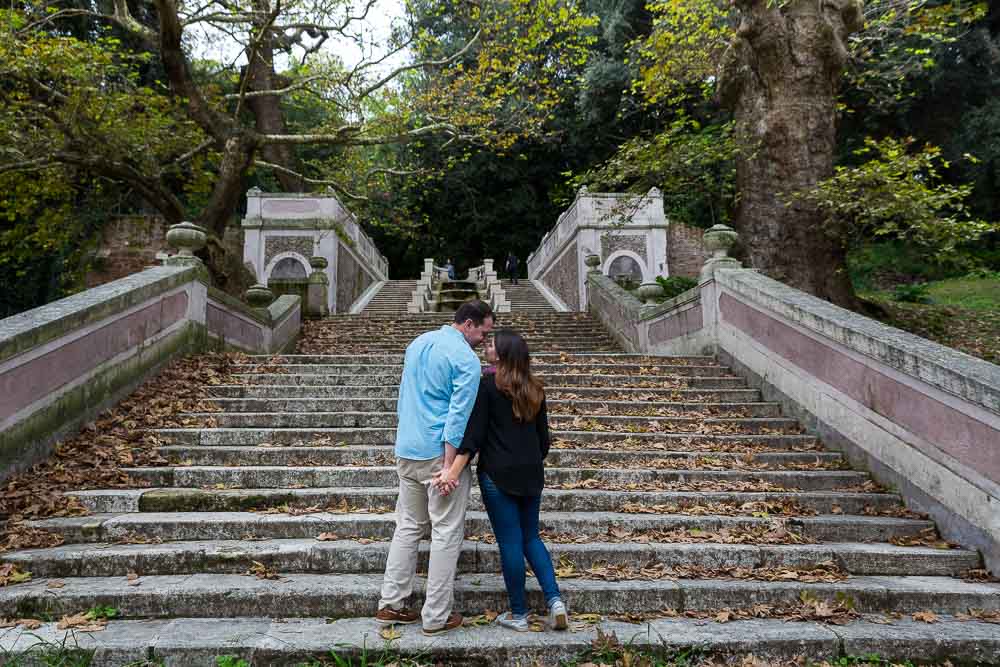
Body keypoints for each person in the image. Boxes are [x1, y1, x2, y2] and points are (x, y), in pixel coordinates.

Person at [434, 329, 568, 632]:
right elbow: (543, 441)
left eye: (493, 345)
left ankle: (519, 614)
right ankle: (555, 600)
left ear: (503, 353)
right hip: (532, 472)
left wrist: (453, 468)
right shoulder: (535, 389)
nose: (487, 347)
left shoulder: (487, 386)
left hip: (497, 474)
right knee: (531, 537)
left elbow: (475, 435)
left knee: (510, 541)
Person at [375, 300, 495, 636]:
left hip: (407, 446)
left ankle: (392, 603)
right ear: (468, 323)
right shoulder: (465, 360)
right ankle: (436, 615)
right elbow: (457, 417)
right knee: (445, 532)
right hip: (436, 453)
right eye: (483, 333)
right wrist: (449, 467)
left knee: (408, 525)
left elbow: (404, 397)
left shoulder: (418, 343)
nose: (484, 341)